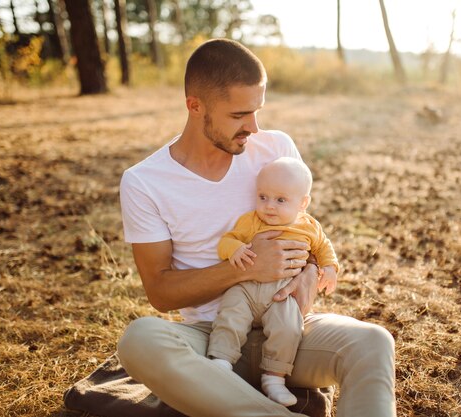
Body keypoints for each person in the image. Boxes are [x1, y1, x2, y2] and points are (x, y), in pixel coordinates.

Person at [117, 38, 396, 417]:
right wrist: (246, 267)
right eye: (238, 115)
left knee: (373, 342)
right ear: (195, 106)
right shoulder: (145, 182)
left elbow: (308, 234)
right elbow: (161, 292)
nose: (254, 127)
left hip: (287, 330)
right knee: (140, 340)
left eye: (257, 110)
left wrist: (311, 273)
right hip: (207, 340)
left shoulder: (276, 148)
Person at [209, 157, 339, 407]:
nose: (269, 206)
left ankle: (274, 378)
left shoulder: (310, 226)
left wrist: (330, 268)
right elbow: (227, 240)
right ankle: (221, 361)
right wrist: (234, 249)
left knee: (289, 328)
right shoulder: (250, 221)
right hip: (246, 288)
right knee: (230, 314)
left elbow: (324, 249)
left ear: (303, 203)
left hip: (282, 294)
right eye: (263, 197)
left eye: (280, 200)